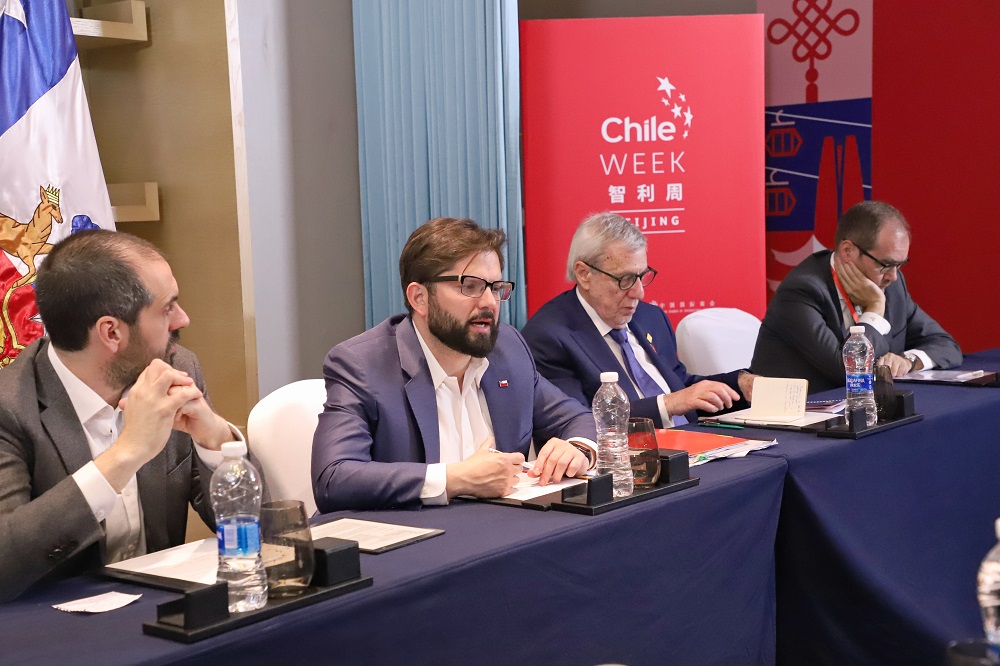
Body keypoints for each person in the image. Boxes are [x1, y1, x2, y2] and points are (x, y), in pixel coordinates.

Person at [0, 230, 245, 602]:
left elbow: (261, 526)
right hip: (54, 623)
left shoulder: (176, 369)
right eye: (167, 308)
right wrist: (126, 454)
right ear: (111, 331)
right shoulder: (10, 407)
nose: (183, 319)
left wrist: (217, 442)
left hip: (163, 608)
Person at [312, 218, 596, 512]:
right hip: (412, 535)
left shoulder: (508, 349)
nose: (489, 302)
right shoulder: (363, 364)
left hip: (503, 528)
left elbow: (576, 418)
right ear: (420, 298)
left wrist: (577, 449)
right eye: (470, 286)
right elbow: (333, 478)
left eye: (496, 288)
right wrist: (455, 479)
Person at [521, 212, 754, 428]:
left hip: (695, 442)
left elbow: (679, 386)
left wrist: (741, 385)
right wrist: (668, 404)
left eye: (642, 276)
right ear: (584, 274)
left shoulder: (650, 317)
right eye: (625, 279)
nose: (639, 293)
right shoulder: (549, 337)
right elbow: (577, 421)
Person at [751, 200, 962, 392]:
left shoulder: (892, 286)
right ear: (848, 251)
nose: (893, 276)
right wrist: (874, 309)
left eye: (900, 265)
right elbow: (848, 372)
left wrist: (909, 360)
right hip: (798, 413)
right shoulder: (802, 291)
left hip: (861, 410)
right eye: (885, 264)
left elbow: (946, 345)